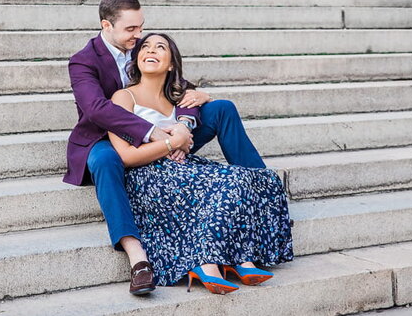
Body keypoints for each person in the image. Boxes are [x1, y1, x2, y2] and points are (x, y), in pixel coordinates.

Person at [64, 0, 266, 295]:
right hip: (104, 138)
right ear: (107, 26)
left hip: (163, 130)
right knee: (105, 160)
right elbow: (96, 109)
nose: (139, 35)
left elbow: (178, 85)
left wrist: (187, 119)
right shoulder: (83, 61)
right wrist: (153, 132)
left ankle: (261, 192)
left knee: (221, 109)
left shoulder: (140, 47)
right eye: (131, 29)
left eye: (141, 27)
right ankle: (137, 257)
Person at [108, 33, 293, 292]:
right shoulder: (123, 97)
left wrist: (204, 96)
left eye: (160, 47)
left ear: (171, 63)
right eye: (145, 47)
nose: (151, 50)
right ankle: (208, 263)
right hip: (148, 176)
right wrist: (171, 144)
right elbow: (125, 157)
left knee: (240, 177)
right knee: (226, 181)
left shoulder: (179, 96)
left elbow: (199, 105)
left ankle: (241, 258)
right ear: (137, 59)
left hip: (182, 168)